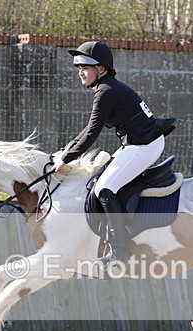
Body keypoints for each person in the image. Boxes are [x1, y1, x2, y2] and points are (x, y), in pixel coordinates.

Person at [52, 41, 175, 264]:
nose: (81, 73)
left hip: (143, 144)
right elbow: (88, 129)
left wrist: (66, 159)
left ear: (101, 69)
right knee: (102, 182)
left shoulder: (106, 92)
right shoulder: (106, 89)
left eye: (86, 68)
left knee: (105, 188)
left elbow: (92, 134)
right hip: (138, 142)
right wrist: (67, 150)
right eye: (79, 68)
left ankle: (120, 250)